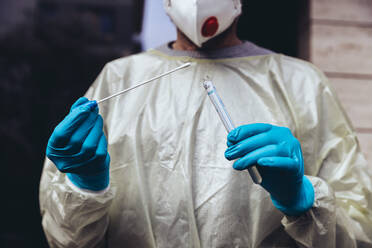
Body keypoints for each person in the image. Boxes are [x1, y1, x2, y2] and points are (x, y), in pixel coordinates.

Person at [39, 0, 372, 247]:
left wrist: (301, 198)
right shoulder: (119, 78)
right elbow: (66, 240)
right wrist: (85, 186)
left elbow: (358, 232)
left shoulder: (301, 84)